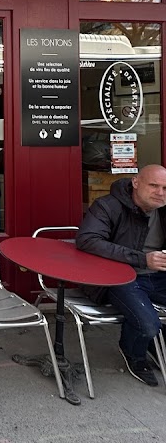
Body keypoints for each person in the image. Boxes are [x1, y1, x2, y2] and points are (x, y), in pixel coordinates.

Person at [76, 164, 166, 387]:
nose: (160, 193)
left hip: (159, 275)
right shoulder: (108, 206)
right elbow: (88, 240)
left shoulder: (163, 208)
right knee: (147, 324)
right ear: (135, 183)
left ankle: (156, 345)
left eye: (165, 188)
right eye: (154, 185)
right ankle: (134, 354)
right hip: (119, 277)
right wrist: (142, 259)